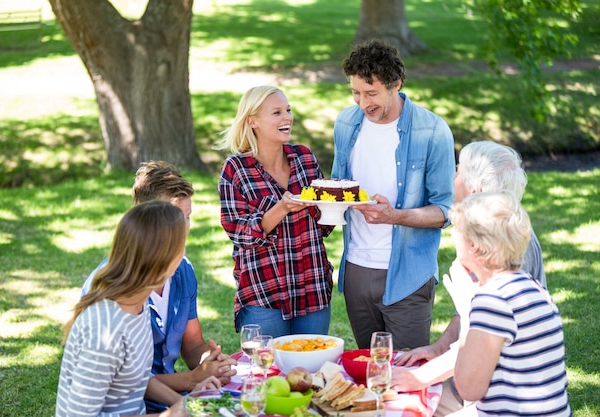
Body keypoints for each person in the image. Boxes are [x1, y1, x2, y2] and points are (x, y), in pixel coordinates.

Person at [392, 141, 548, 416]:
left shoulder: (500, 263)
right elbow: (473, 320)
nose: (452, 178)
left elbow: (480, 354)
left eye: (458, 172)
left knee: (398, 402)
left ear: (475, 191)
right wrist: (439, 348)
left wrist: (419, 378)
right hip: (489, 380)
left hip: (503, 394)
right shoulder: (500, 241)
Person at [331, 39, 455, 350]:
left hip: (407, 275)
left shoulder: (432, 131)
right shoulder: (346, 123)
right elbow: (336, 187)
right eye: (356, 93)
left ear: (396, 84)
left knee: (403, 379)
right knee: (368, 373)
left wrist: (395, 217)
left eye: (371, 93)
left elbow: (446, 210)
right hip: (357, 270)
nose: (362, 103)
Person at [81, 161, 236, 402]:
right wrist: (192, 380)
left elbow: (193, 344)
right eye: (175, 218)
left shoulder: (182, 270)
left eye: (187, 217)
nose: (185, 228)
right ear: (147, 221)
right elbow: (129, 383)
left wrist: (210, 362)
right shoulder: (111, 293)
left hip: (170, 397)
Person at [57, 200, 221, 417]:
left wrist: (187, 404)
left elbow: (140, 379)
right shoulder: (105, 329)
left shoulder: (137, 305)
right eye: (181, 246)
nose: (184, 254)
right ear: (161, 259)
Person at [216, 85, 334, 337]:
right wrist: (281, 208)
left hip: (312, 287)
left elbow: (325, 226)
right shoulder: (236, 169)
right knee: (265, 373)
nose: (287, 118)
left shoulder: (305, 158)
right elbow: (240, 233)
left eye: (288, 110)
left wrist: (334, 206)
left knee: (311, 371)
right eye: (277, 112)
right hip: (264, 293)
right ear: (253, 121)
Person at [449, 192, 570, 416]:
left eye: (456, 230)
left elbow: (468, 389)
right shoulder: (532, 286)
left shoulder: (493, 300)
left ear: (474, 245)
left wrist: (467, 312)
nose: (452, 235)